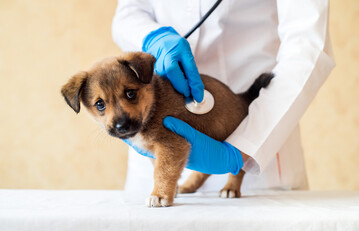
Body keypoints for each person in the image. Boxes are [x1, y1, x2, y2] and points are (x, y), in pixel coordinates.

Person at [111, 0, 335, 194]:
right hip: (150, 159)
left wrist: (246, 146)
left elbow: (308, 41)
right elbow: (128, 13)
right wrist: (152, 36)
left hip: (257, 138)